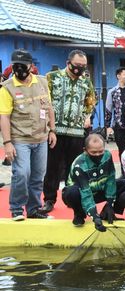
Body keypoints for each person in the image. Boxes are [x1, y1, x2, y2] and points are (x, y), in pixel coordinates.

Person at [0, 49, 57, 220]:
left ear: (31, 66)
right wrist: (7, 143)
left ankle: (33, 209)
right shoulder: (7, 88)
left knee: (38, 176)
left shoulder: (42, 82)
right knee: (22, 173)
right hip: (19, 138)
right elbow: (4, 116)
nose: (19, 69)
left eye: (22, 65)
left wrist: (52, 130)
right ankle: (17, 208)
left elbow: (49, 108)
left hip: (41, 137)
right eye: (15, 66)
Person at [40, 49, 96, 214]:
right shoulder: (52, 77)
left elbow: (91, 101)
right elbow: (44, 101)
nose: (80, 68)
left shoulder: (86, 82)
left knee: (74, 168)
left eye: (83, 66)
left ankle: (71, 199)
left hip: (77, 132)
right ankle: (49, 199)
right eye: (77, 65)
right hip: (55, 131)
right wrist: (48, 125)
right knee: (52, 167)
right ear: (68, 63)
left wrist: (87, 116)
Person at [62, 134, 118, 231]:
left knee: (123, 185)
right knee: (71, 192)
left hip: (98, 189)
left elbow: (111, 180)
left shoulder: (108, 156)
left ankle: (108, 212)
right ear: (85, 150)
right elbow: (85, 192)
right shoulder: (79, 166)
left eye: (101, 151)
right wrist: (95, 217)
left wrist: (109, 204)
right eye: (93, 152)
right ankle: (79, 213)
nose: (98, 155)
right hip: (81, 193)